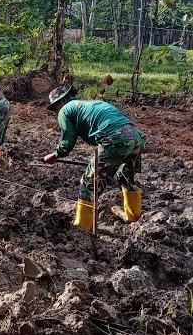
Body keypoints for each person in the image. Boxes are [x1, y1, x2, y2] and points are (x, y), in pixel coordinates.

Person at [43, 84, 147, 230]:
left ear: (63, 100)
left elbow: (68, 140)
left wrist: (55, 155)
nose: (56, 111)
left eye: (55, 107)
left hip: (115, 138)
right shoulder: (88, 104)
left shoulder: (65, 110)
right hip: (136, 136)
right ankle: (133, 216)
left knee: (89, 182)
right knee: (125, 176)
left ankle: (82, 227)